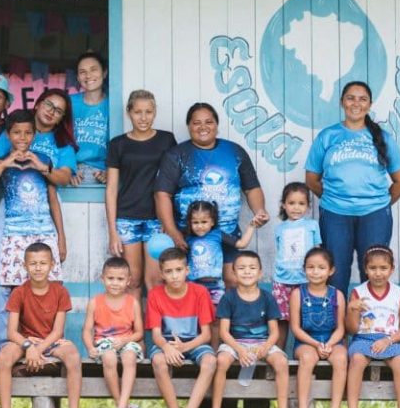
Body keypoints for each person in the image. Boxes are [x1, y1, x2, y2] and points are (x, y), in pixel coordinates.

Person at [304, 81, 400, 295]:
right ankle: (338, 317)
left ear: (370, 104)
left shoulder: (383, 137)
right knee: (335, 273)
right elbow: (312, 179)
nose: (356, 103)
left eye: (362, 99)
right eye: (351, 98)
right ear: (342, 102)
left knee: (373, 273)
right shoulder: (328, 136)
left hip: (374, 215)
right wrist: (334, 198)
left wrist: (379, 204)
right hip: (335, 214)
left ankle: (372, 316)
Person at [0, 110, 67, 349]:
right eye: (17, 133)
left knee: (50, 286)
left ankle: (49, 344)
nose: (22, 137)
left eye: (28, 133)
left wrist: (61, 238)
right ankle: (8, 345)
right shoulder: (0, 162)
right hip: (13, 234)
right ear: (8, 135)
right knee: (10, 288)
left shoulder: (43, 159)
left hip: (44, 233)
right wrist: (2, 166)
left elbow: (53, 199)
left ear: (34, 135)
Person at [154, 102, 269, 276]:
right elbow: (162, 194)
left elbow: (252, 188)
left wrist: (259, 211)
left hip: (228, 233)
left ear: (216, 125)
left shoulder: (235, 151)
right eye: (196, 123)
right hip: (189, 236)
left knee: (232, 279)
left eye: (208, 122)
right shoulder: (176, 155)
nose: (203, 127)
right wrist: (173, 232)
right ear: (188, 126)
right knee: (193, 280)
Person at [0, 242, 83, 408]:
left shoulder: (60, 292)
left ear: (52, 265)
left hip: (51, 342)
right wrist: (28, 346)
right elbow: (11, 332)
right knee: (4, 357)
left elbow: (58, 331)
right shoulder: (19, 292)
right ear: (25, 266)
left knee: (73, 356)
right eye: (33, 263)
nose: (38, 268)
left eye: (43, 263)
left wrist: (38, 350)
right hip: (26, 341)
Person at [205, 251, 293, 408]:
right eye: (242, 268)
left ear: (260, 273)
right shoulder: (228, 298)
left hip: (262, 343)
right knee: (221, 361)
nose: (247, 272)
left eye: (252, 268)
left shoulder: (267, 297)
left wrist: (265, 347)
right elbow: (224, 332)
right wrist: (239, 350)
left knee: (281, 362)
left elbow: (274, 332)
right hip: (235, 343)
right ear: (234, 273)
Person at [104, 89, 177, 289]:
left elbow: (174, 182)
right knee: (133, 280)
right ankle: (135, 313)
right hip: (127, 218)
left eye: (148, 112)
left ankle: (153, 313)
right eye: (138, 112)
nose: (143, 118)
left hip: (157, 219)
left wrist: (168, 220)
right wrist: (112, 231)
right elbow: (111, 189)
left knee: (155, 280)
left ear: (155, 112)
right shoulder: (118, 144)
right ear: (129, 112)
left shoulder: (166, 140)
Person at [147, 247, 219, 408]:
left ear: (187, 270)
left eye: (178, 270)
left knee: (210, 361)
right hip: (168, 343)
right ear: (162, 274)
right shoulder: (155, 294)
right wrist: (168, 348)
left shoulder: (200, 292)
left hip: (193, 342)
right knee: (158, 361)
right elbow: (156, 335)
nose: (174, 276)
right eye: (168, 271)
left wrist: (185, 346)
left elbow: (206, 335)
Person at [344, 246, 400, 408]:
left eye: (383, 268)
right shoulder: (358, 292)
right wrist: (352, 309)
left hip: (391, 341)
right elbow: (351, 329)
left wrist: (387, 340)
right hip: (363, 339)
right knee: (357, 359)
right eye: (373, 268)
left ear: (392, 269)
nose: (378, 273)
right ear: (365, 269)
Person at [289, 246, 347, 408]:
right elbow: (296, 328)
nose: (315, 272)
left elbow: (341, 328)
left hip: (331, 340)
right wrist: (316, 345)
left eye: (321, 268)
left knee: (341, 358)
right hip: (306, 341)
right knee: (307, 359)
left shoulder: (337, 295)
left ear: (331, 271)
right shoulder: (298, 294)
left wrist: (329, 344)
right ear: (304, 269)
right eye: (310, 267)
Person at [82, 256, 144, 408]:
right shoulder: (95, 302)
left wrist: (125, 340)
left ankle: (121, 406)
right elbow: (87, 330)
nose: (115, 283)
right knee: (109, 357)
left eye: (120, 279)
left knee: (130, 357)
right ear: (102, 279)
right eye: (110, 278)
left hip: (126, 340)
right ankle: (122, 406)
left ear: (128, 281)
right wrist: (90, 347)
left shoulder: (133, 303)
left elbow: (139, 332)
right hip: (104, 341)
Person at [0, 86, 77, 187]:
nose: (51, 112)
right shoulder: (15, 130)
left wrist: (43, 168)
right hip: (10, 193)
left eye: (58, 111)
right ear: (37, 104)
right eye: (49, 104)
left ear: (61, 119)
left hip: (45, 195)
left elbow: (64, 179)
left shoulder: (64, 143)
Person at [184, 200, 256, 304]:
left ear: (212, 222)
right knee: (196, 311)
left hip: (216, 285)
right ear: (190, 223)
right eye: (195, 222)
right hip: (193, 284)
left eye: (204, 222)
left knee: (218, 311)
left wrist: (252, 226)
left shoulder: (218, 235)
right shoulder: (187, 239)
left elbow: (242, 244)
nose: (199, 226)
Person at [272, 182, 322, 322]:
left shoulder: (312, 225)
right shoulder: (279, 228)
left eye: (301, 203)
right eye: (291, 203)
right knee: (282, 318)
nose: (296, 207)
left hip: (305, 279)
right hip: (282, 280)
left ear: (308, 206)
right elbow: (280, 252)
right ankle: (280, 339)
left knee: (305, 318)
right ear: (283, 205)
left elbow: (317, 251)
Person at [70, 51, 109, 184]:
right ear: (78, 77)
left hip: (102, 171)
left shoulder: (112, 104)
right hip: (73, 170)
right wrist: (67, 169)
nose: (88, 75)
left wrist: (110, 171)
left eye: (93, 70)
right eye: (82, 72)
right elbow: (59, 139)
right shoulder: (69, 102)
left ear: (104, 73)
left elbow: (118, 146)